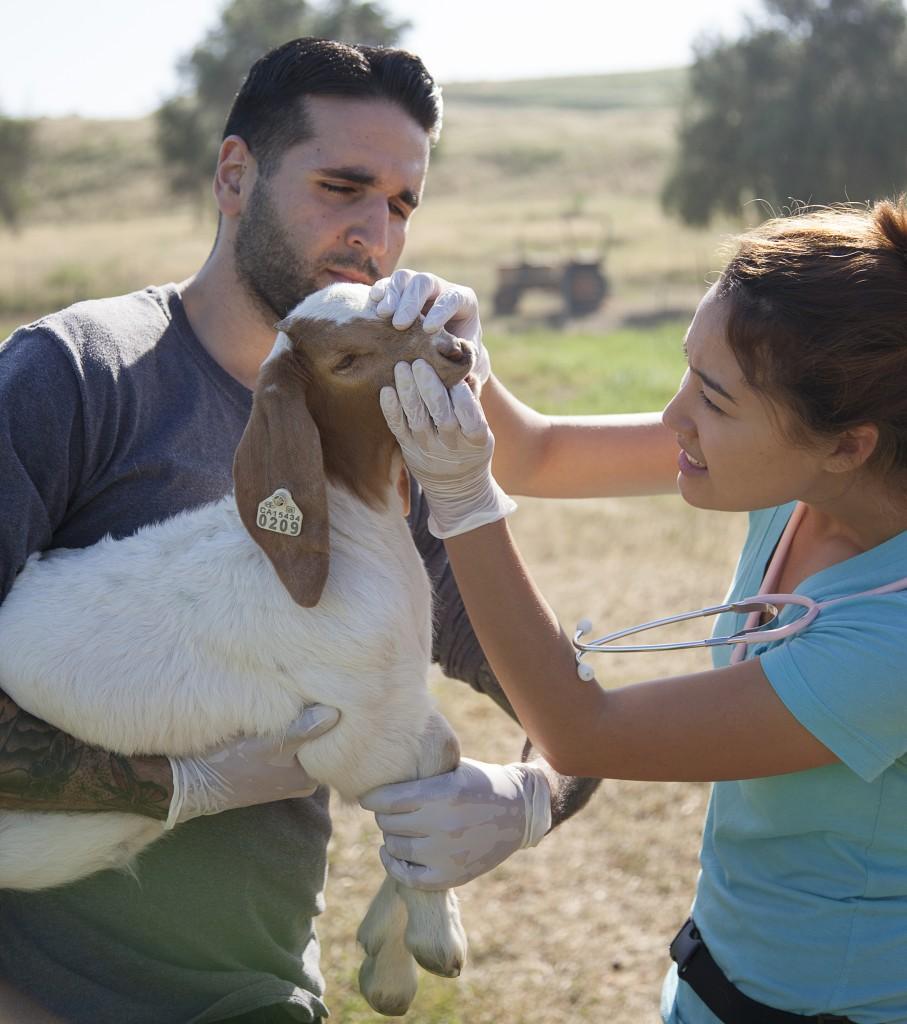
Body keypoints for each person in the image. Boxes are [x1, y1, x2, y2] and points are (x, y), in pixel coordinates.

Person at [0, 37, 618, 1024]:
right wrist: (182, 784)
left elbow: (575, 708)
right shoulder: (75, 378)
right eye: (342, 187)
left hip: (264, 996)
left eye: (401, 204)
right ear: (235, 175)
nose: (373, 232)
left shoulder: (382, 450)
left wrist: (528, 798)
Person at [377, 197, 907, 1024]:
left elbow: (582, 730)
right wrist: (463, 356)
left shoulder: (893, 641)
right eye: (687, 372)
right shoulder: (802, 475)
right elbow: (540, 452)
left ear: (848, 444)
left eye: (713, 399)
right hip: (713, 984)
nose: (671, 419)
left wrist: (458, 497)